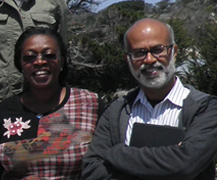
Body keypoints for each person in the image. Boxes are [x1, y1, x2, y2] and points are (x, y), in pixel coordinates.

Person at [82, 18, 217, 179]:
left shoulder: (206, 109)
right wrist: (168, 162)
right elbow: (92, 170)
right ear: (128, 60)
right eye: (139, 53)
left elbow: (185, 165)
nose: (149, 60)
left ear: (174, 52)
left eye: (158, 50)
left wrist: (117, 153)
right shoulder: (116, 112)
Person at [0, 27, 101, 179]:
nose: (40, 62)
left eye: (49, 55)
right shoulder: (4, 111)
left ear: (62, 61)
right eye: (29, 57)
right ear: (20, 64)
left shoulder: (90, 105)